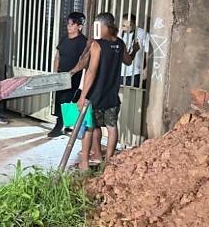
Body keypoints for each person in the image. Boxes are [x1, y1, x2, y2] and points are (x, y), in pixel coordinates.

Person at [76, 13, 139, 170]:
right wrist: (135, 51)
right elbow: (128, 61)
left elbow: (91, 72)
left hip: (95, 95)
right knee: (112, 127)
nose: (95, 29)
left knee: (89, 128)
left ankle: (84, 163)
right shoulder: (119, 43)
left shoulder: (97, 44)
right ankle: (108, 161)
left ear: (104, 26)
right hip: (112, 95)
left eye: (97, 26)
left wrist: (82, 96)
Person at [48, 12, 88, 138]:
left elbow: (83, 62)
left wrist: (71, 73)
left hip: (73, 76)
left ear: (79, 26)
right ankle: (63, 124)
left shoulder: (83, 42)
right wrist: (55, 73)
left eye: (72, 24)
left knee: (67, 100)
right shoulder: (64, 39)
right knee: (59, 100)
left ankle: (62, 125)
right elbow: (58, 56)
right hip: (61, 75)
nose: (69, 27)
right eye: (68, 24)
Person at [120, 13, 151, 88]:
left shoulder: (143, 34)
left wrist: (146, 69)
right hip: (118, 73)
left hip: (135, 73)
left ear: (134, 25)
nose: (125, 29)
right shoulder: (118, 32)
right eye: (123, 26)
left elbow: (149, 52)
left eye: (129, 26)